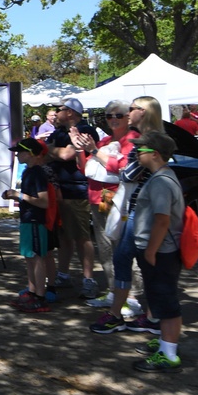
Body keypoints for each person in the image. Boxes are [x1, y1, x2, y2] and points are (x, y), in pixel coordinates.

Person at [89, 96, 165, 334]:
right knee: (135, 260)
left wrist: (96, 153)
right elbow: (122, 168)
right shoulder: (144, 139)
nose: (127, 113)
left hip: (143, 209)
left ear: (145, 112)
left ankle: (130, 314)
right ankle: (145, 316)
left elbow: (127, 173)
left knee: (132, 259)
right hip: (137, 206)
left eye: (132, 109)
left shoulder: (148, 140)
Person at [70, 100, 139, 308]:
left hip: (119, 199)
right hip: (98, 198)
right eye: (109, 116)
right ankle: (113, 292)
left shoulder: (133, 140)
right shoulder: (105, 141)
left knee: (124, 248)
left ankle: (132, 296)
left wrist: (93, 150)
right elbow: (86, 169)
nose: (113, 119)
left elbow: (122, 167)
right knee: (106, 248)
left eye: (118, 115)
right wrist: (78, 149)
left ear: (129, 116)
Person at [127, 131, 185, 372]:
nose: (137, 153)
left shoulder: (161, 181)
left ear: (155, 154)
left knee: (166, 301)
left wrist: (151, 250)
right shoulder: (160, 177)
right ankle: (165, 343)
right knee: (160, 299)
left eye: (141, 150)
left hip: (161, 251)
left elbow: (162, 220)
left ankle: (169, 354)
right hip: (158, 250)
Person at [47, 97, 100, 298]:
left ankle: (88, 280)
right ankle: (64, 274)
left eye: (59, 109)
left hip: (77, 190)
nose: (55, 113)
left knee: (81, 236)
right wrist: (53, 150)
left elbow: (67, 155)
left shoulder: (85, 131)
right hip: (58, 189)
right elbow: (49, 153)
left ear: (70, 112)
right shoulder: (59, 132)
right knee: (63, 236)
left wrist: (51, 149)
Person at [2, 138, 51, 313]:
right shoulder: (28, 171)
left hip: (36, 220)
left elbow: (44, 202)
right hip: (26, 219)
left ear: (30, 153)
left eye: (19, 152)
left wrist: (19, 196)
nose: (17, 155)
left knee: (37, 258)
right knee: (29, 257)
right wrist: (15, 196)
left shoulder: (38, 172)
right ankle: (32, 291)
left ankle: (40, 296)